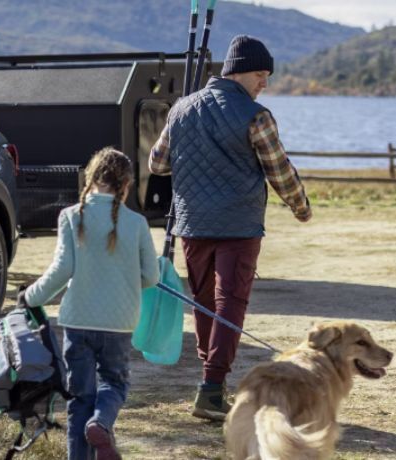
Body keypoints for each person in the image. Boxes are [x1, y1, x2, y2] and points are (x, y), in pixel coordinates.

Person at [148, 35, 313, 422]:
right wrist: (301, 207)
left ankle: (212, 384)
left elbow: (157, 163)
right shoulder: (256, 115)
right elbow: (280, 171)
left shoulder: (180, 109)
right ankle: (210, 388)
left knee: (206, 302)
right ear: (238, 72)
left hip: (192, 223)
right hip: (238, 225)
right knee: (230, 302)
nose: (265, 84)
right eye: (261, 74)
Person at [21, 147, 160, 460]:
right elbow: (151, 277)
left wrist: (30, 297)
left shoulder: (71, 216)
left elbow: (61, 271)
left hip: (78, 320)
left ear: (91, 178)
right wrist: (124, 279)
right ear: (126, 184)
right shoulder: (137, 223)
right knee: (114, 383)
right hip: (119, 321)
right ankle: (102, 422)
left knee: (79, 398)